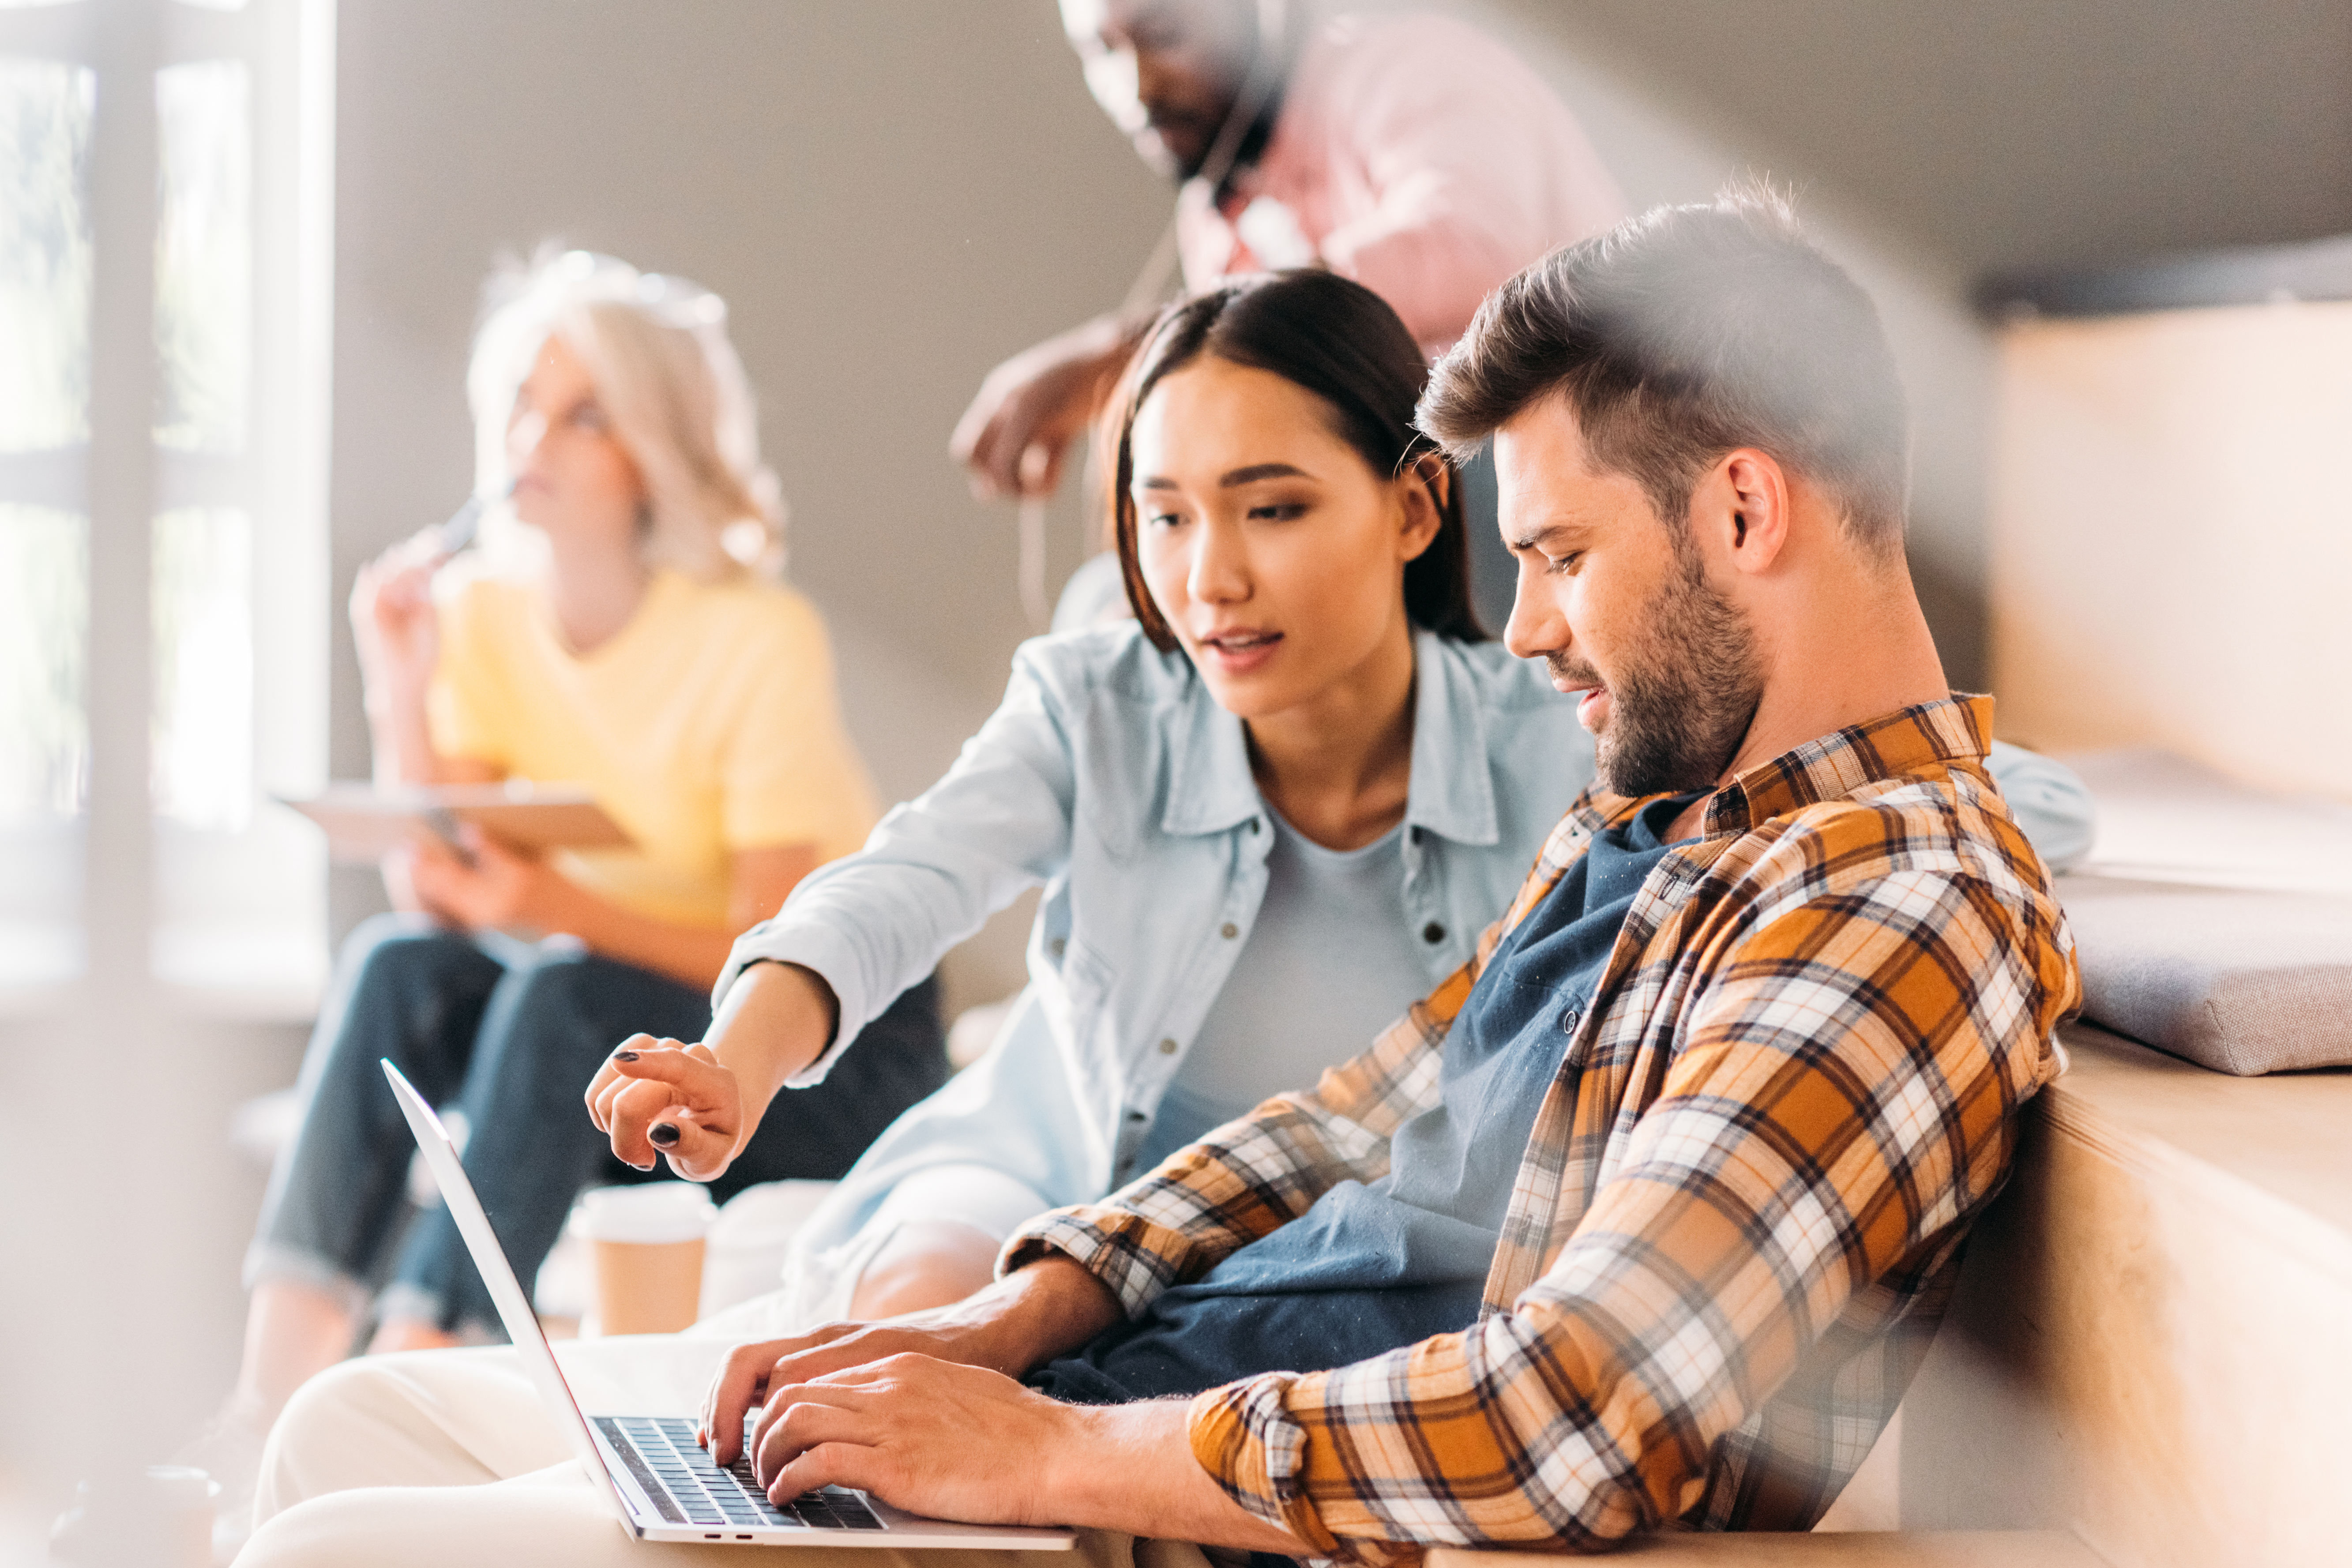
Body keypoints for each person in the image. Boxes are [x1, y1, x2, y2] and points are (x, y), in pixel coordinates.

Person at [240, 193, 2085, 1564]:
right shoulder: (1671, 826)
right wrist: (1015, 1313)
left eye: (1564, 555)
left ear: (1745, 512)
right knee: (351, 1421)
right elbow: (1359, 1115)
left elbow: (1567, 1415)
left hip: (1136, 1509)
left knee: (347, 1541)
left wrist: (1023, 1451)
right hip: (1095, 1409)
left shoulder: (1895, 908)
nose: (1524, 628)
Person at [218, 252, 948, 1448]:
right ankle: (260, 1409)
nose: (533, 439)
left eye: (584, 415)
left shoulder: (758, 638)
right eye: (522, 405)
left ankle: (403, 1383)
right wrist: (394, 681)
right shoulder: (486, 620)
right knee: (396, 964)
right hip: (628, 1031)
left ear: (655, 451)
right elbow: (444, 892)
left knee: (566, 992)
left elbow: (770, 951)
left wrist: (555, 900)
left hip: (816, 1050)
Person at [954, 0, 1628, 627]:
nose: (1137, 86)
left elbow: (1471, 252)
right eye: (1101, 51)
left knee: (1449, 460)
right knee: (1109, 609)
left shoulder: (1410, 66)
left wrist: (1139, 345)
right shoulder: (1221, 217)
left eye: (1163, 35)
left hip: (1592, 461)